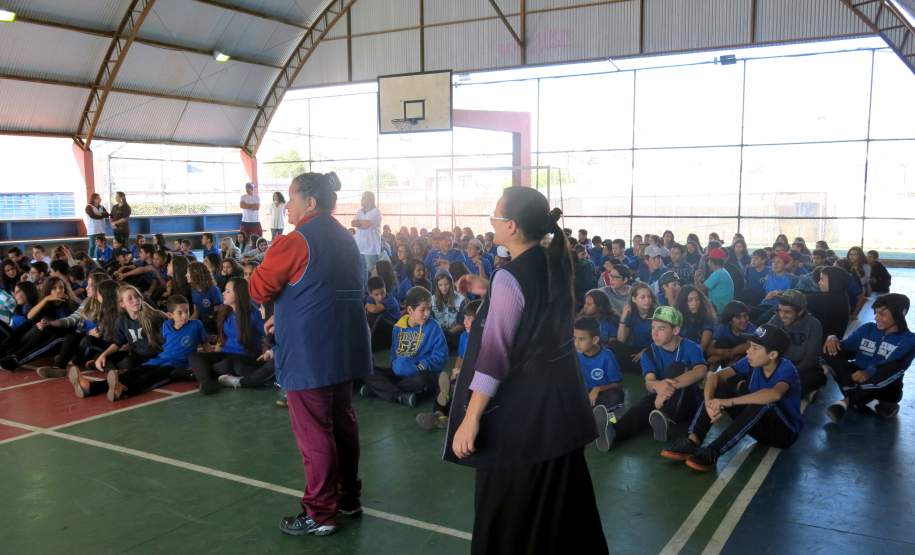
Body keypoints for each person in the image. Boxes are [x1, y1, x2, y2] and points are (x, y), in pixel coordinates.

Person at [445, 187, 607, 554]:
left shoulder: (512, 277)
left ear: (512, 227)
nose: (491, 221)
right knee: (564, 518)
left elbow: (494, 357)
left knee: (509, 519)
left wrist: (470, 418)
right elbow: (533, 308)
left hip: (524, 423)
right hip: (562, 414)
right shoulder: (552, 261)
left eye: (496, 216)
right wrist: (489, 289)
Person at [248, 171, 371, 537]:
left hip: (310, 354)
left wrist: (277, 304)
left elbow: (259, 288)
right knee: (343, 423)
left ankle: (319, 512)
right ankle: (348, 498)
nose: (287, 207)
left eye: (292, 198)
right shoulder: (347, 240)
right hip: (345, 348)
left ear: (311, 202)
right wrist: (285, 317)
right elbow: (327, 292)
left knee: (315, 433)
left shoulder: (296, 240)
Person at [661, 324, 802, 472]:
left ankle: (714, 451)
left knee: (763, 402)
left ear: (772, 354)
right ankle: (693, 440)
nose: (748, 351)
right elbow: (714, 377)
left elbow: (775, 394)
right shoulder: (751, 362)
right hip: (757, 427)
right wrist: (709, 403)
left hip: (784, 434)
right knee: (720, 387)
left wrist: (728, 402)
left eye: (755, 348)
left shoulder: (787, 369)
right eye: (750, 346)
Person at [596, 306, 708, 451]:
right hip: (658, 401)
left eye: (661, 328)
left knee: (677, 368)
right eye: (653, 327)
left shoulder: (691, 347)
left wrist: (666, 389)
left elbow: (701, 371)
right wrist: (659, 387)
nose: (654, 333)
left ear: (675, 330)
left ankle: (663, 415)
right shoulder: (649, 352)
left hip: (687, 403)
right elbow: (649, 382)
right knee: (642, 406)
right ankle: (614, 432)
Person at [823, 293, 915, 422]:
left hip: (885, 387)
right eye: (875, 313)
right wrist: (832, 338)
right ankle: (869, 402)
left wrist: (869, 372)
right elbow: (845, 347)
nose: (876, 318)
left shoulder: (910, 340)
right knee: (830, 350)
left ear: (900, 313)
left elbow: (895, 365)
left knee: (892, 367)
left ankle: (848, 400)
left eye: (882, 314)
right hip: (855, 380)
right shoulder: (868, 329)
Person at [363, 285, 448, 406]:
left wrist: (419, 365)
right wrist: (395, 364)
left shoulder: (433, 327)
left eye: (429, 308)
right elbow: (393, 352)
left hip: (419, 372)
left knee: (424, 380)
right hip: (400, 373)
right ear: (410, 310)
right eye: (422, 310)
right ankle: (399, 395)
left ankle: (382, 391)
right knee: (369, 372)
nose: (427, 313)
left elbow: (442, 358)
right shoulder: (398, 327)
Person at [189, 277, 264, 394]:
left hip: (244, 357)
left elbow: (267, 335)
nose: (223, 293)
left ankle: (204, 374)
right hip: (226, 353)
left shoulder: (253, 314)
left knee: (223, 366)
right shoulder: (227, 312)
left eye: (228, 291)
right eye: (225, 290)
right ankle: (207, 383)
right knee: (195, 356)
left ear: (238, 294)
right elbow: (223, 338)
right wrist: (216, 351)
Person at [416, 299, 482, 430]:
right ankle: (439, 415)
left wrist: (463, 373)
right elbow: (460, 356)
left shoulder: (484, 341)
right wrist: (456, 369)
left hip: (475, 380)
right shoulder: (464, 336)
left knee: (458, 390)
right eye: (464, 318)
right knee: (445, 385)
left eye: (469, 319)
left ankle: (445, 417)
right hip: (462, 374)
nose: (465, 322)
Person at [575, 317, 624, 451]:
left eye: (582, 339)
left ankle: (611, 424)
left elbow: (618, 384)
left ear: (595, 339)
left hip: (607, 394)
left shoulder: (607, 356)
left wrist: (598, 388)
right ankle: (598, 422)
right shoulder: (576, 355)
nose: (577, 343)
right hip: (588, 395)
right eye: (575, 338)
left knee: (613, 401)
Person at [766, 290, 824, 397]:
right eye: (780, 310)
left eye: (787, 312)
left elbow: (810, 359)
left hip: (800, 366)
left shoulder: (814, 325)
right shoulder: (777, 318)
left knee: (814, 378)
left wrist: (785, 373)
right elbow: (762, 339)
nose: (782, 315)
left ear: (800, 311)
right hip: (778, 363)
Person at [707, 300, 754, 369]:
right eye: (738, 317)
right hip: (722, 358)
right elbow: (709, 350)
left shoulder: (751, 328)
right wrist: (725, 353)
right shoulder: (722, 327)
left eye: (745, 315)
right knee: (723, 341)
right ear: (729, 320)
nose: (744, 320)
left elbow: (748, 345)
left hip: (741, 360)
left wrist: (721, 356)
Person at [351, 191, 384, 276]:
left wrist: (360, 223)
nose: (361, 199)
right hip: (359, 247)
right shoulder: (359, 211)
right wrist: (361, 223)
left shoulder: (376, 212)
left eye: (364, 198)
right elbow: (353, 223)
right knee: (360, 272)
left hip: (371, 249)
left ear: (370, 199)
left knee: (371, 272)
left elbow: (366, 225)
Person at [677, 285, 716, 354]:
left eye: (697, 299)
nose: (695, 303)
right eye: (690, 300)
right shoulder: (677, 318)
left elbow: (703, 345)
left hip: (699, 355)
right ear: (683, 302)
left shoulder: (706, 317)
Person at [695, 247, 734, 313]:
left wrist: (696, 278)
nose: (707, 263)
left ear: (712, 262)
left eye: (708, 261)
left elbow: (701, 289)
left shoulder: (717, 274)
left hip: (719, 308)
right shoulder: (723, 271)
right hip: (725, 306)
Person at [85, 193, 110, 259]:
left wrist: (100, 214)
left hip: (102, 229)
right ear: (94, 199)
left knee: (102, 246)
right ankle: (89, 259)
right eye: (98, 198)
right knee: (92, 246)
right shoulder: (89, 207)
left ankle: (101, 258)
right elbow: (93, 216)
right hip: (93, 230)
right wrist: (102, 215)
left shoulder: (101, 207)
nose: (100, 199)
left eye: (100, 198)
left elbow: (107, 215)